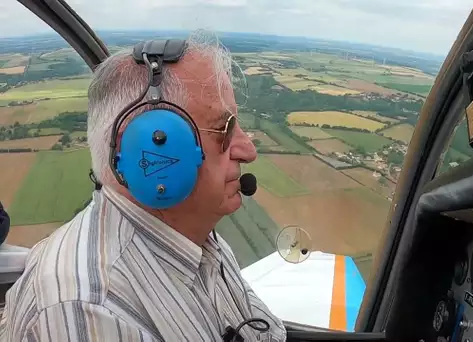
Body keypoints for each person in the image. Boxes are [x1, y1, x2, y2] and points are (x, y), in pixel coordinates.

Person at [0, 37, 286, 342]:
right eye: (224, 129)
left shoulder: (198, 240)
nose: (248, 150)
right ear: (142, 149)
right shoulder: (91, 310)